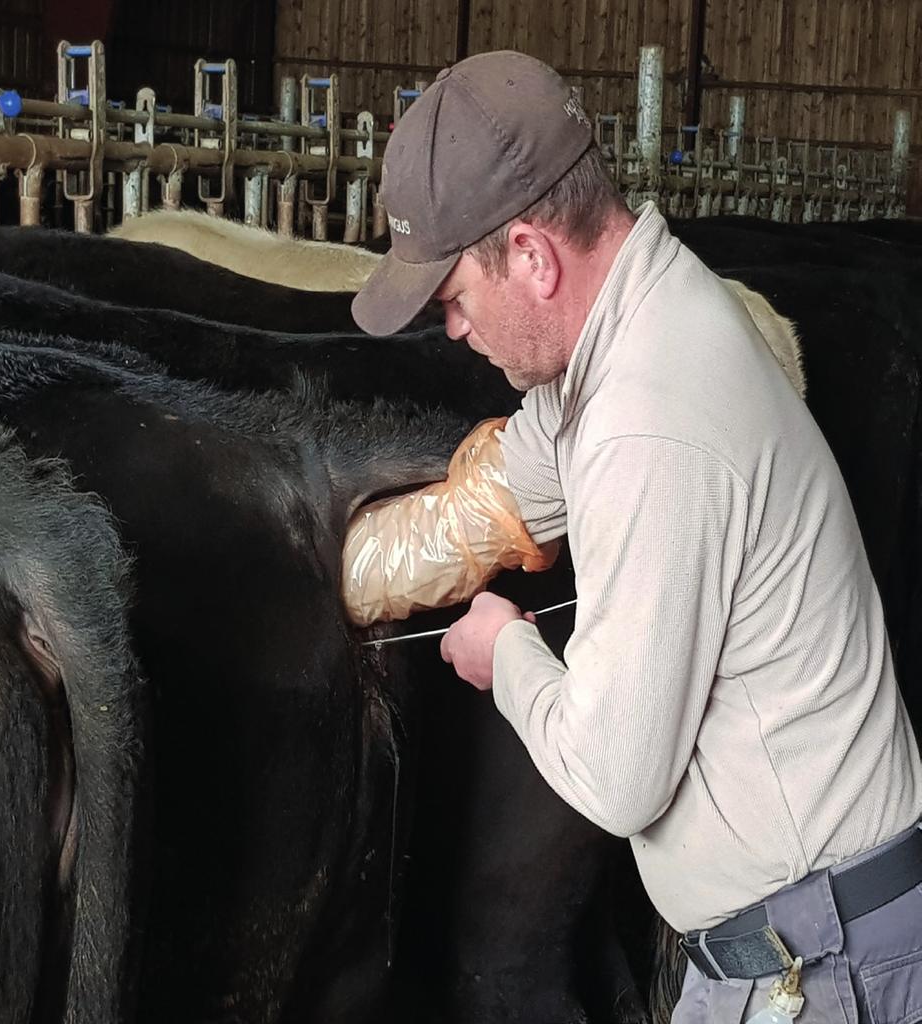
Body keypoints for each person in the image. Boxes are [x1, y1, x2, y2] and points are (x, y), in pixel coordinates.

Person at [350, 49, 922, 1024]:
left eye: (451, 296)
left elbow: (616, 777)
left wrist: (509, 653)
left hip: (821, 968)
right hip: (795, 938)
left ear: (530, 255)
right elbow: (515, 481)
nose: (450, 329)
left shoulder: (651, 421)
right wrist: (347, 566)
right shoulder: (642, 318)